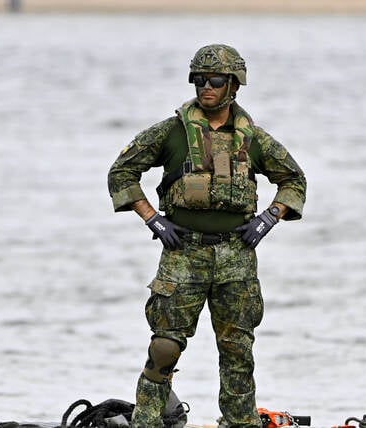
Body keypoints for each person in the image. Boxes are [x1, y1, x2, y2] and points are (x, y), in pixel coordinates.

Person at [107, 44, 307, 428]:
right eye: (199, 79)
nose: (206, 87)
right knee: (164, 346)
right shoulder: (172, 132)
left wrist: (269, 217)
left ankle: (239, 422)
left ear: (234, 84)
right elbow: (121, 172)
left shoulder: (253, 139)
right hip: (183, 252)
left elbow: (294, 179)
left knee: (237, 349)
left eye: (215, 80)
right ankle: (145, 421)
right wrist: (153, 220)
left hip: (237, 254)